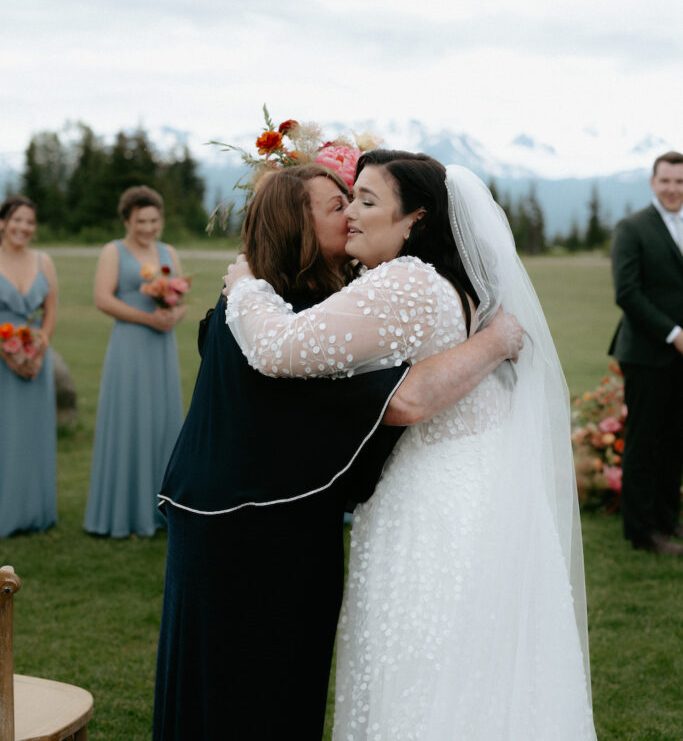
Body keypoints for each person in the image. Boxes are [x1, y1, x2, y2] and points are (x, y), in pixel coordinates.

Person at [226, 151, 596, 740]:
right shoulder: (449, 282)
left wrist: (246, 286)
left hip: (436, 502)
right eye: (350, 198)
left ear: (415, 222)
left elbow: (281, 350)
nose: (349, 212)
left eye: (367, 202)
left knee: (423, 667)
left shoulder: (408, 281)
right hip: (478, 486)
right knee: (474, 669)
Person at [153, 164, 523, 741]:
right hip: (245, 531)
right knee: (239, 690)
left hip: (266, 519)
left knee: (266, 686)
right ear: (296, 226)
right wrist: (494, 343)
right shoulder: (275, 314)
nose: (351, 212)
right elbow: (405, 398)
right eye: (336, 206)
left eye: (358, 201)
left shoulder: (286, 302)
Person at [83, 185, 185, 538]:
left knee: (162, 421)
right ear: (127, 220)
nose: (148, 227)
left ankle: (161, 510)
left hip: (162, 347)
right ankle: (123, 513)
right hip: (129, 345)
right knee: (129, 419)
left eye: (154, 220)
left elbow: (180, 295)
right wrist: (148, 319)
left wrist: (175, 314)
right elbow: (102, 299)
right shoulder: (114, 251)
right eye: (141, 220)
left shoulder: (167, 250)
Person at [609, 150, 683, 555]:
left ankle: (668, 519)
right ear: (654, 183)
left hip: (681, 357)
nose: (673, 189)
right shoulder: (632, 227)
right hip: (646, 353)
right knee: (644, 441)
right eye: (666, 181)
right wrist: (674, 333)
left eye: (680, 182)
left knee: (675, 441)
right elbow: (627, 293)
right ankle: (642, 531)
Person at [0, 195, 58, 537]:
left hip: (35, 357)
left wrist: (39, 346)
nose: (24, 227)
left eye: (30, 222)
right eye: (17, 220)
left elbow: (51, 311)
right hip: (2, 357)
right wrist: (8, 352)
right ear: (3, 222)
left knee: (31, 435)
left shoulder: (44, 260)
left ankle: (33, 511)